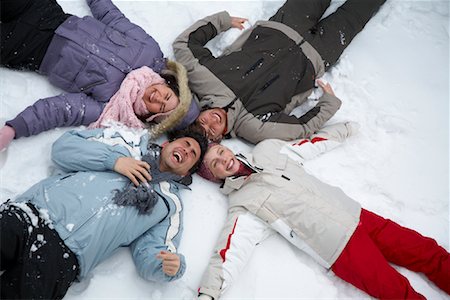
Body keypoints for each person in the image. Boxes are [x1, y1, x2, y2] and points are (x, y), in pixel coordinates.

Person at [195, 123, 450, 299]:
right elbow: (230, 249)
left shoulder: (267, 151)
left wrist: (344, 130)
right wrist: (209, 293)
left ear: (225, 147)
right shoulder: (243, 203)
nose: (222, 160)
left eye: (219, 152)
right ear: (214, 176)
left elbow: (310, 143)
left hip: (356, 216)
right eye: (214, 164)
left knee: (426, 251)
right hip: (339, 248)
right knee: (397, 293)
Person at [0, 124, 208, 299]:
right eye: (186, 143)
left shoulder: (168, 204)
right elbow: (63, 148)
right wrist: (113, 161)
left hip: (66, 255)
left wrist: (167, 265)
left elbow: (152, 251)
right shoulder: (125, 143)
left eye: (193, 154)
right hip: (35, 211)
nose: (187, 150)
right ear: (167, 144)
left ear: (186, 173)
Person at [173, 0, 386, 143]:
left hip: (284, 26)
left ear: (198, 113)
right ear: (219, 138)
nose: (212, 121)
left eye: (203, 121)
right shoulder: (255, 127)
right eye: (211, 131)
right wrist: (327, 106)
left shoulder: (205, 81)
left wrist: (222, 22)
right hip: (318, 54)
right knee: (360, 9)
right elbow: (302, 127)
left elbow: (184, 45)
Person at [0, 0, 199, 151]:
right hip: (47, 14)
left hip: (29, 49)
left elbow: (61, 110)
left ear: (151, 117)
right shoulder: (149, 51)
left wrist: (15, 129)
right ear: (170, 84)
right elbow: (113, 18)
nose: (157, 97)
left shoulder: (112, 107)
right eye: (167, 96)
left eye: (160, 108)